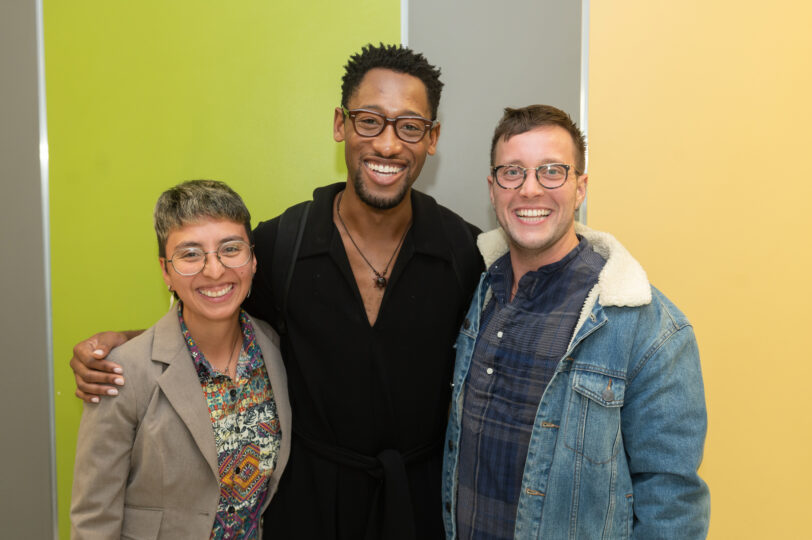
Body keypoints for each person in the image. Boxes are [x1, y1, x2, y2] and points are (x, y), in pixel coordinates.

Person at [69, 44, 484, 540]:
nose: (389, 145)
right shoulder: (282, 244)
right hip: (305, 507)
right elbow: (217, 314)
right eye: (370, 120)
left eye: (409, 125)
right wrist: (124, 345)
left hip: (418, 509)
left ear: (431, 136)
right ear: (341, 125)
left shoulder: (465, 252)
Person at [442, 105, 710, 539]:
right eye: (512, 172)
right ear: (492, 190)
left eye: (552, 172)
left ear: (580, 187)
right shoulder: (478, 292)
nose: (530, 189)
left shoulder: (647, 328)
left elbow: (672, 504)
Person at [70, 180, 291, 539]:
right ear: (165, 271)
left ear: (252, 260)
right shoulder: (121, 373)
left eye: (230, 249)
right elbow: (93, 520)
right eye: (190, 254)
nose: (215, 270)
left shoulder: (275, 349)